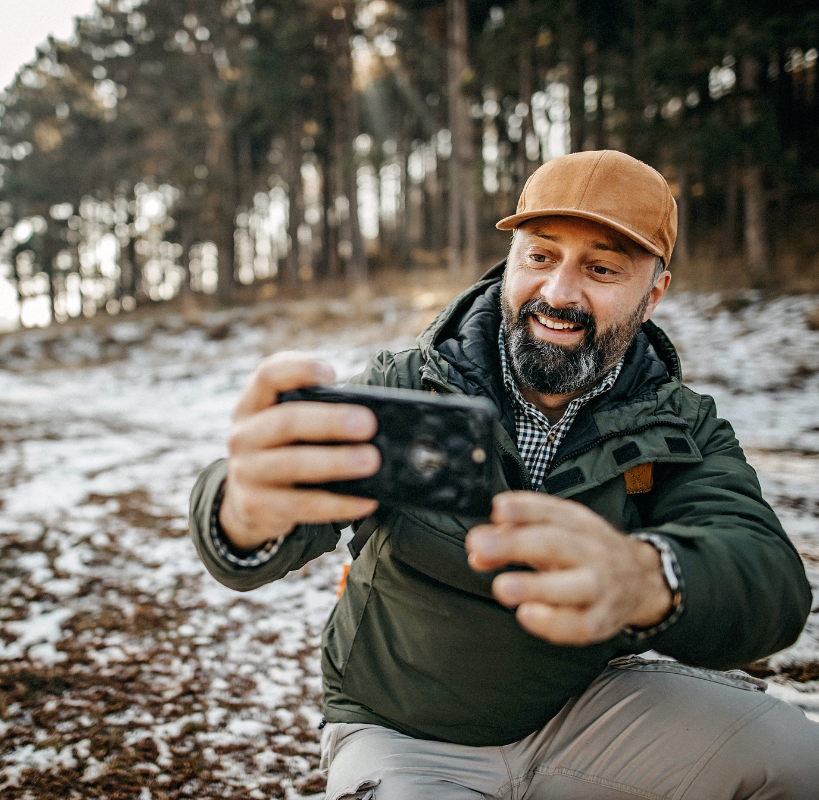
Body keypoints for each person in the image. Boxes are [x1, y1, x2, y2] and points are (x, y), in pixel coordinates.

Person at [189, 150, 819, 799]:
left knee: (797, 761)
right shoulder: (412, 385)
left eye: (601, 268)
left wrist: (647, 578)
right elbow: (267, 532)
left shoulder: (679, 425)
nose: (559, 293)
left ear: (653, 292)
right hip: (404, 734)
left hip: (584, 717)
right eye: (541, 257)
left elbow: (767, 580)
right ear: (513, 256)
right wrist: (241, 508)